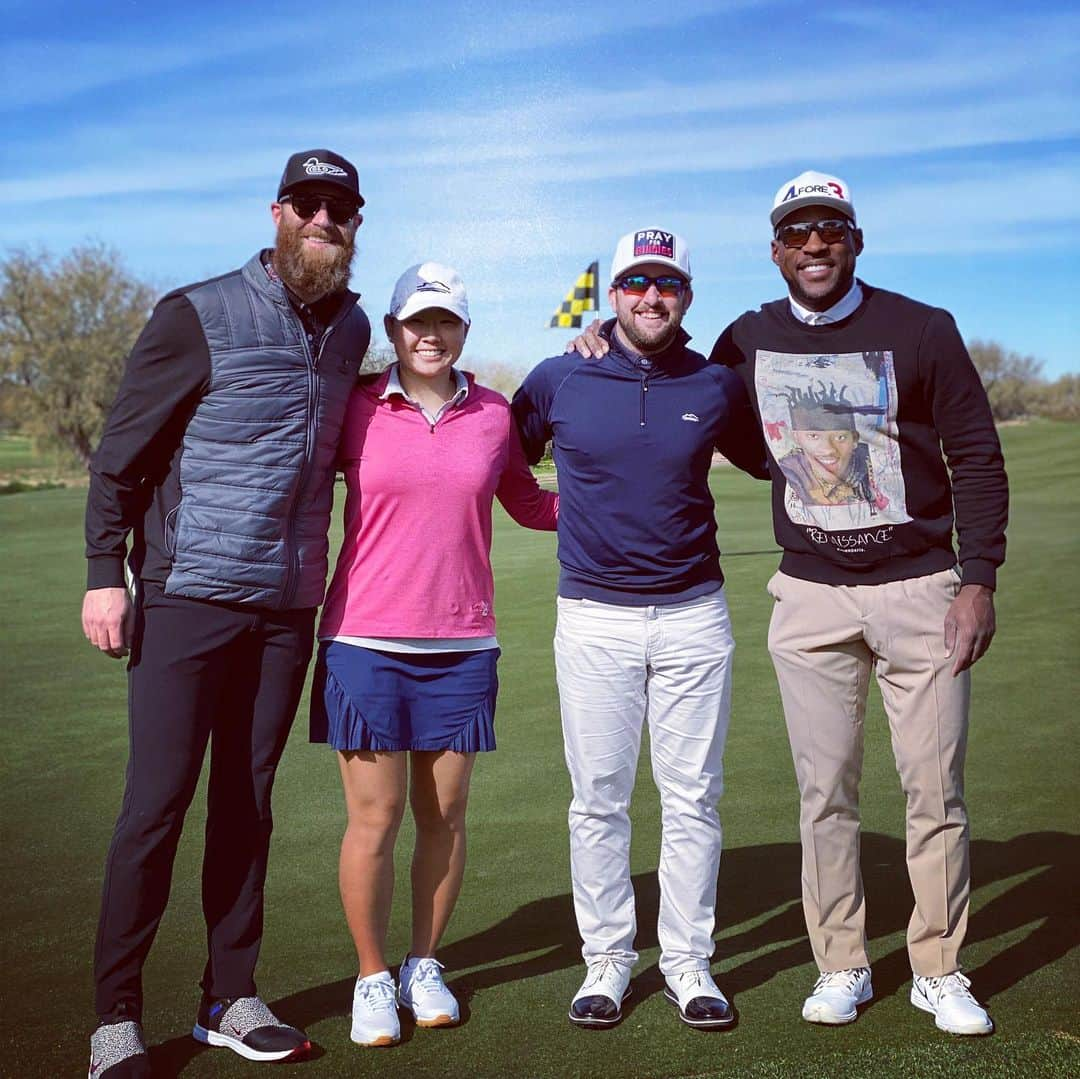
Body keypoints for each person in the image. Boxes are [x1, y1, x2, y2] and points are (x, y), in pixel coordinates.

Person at [81, 149, 370, 1076]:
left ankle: (230, 996)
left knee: (248, 805)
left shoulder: (352, 326)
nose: (327, 220)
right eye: (312, 204)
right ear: (280, 211)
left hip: (287, 608)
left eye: (344, 209)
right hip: (186, 596)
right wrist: (103, 573)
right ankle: (115, 1018)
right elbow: (121, 456)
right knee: (155, 807)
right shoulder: (195, 314)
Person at [708, 170, 1007, 1034]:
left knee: (934, 793)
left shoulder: (921, 328)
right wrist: (598, 338)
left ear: (856, 240)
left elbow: (977, 458)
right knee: (825, 793)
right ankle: (842, 962)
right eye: (797, 233)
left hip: (921, 592)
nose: (814, 246)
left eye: (830, 229)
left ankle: (938, 967)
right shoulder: (747, 337)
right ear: (775, 250)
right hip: (809, 596)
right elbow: (716, 410)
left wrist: (977, 577)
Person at [512, 229, 770, 1031]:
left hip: (695, 616)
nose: (650, 296)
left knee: (693, 799)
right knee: (599, 800)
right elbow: (503, 457)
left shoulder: (715, 382)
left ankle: (689, 962)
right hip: (593, 620)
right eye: (635, 283)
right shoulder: (560, 376)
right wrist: (561, 516)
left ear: (685, 296)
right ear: (613, 294)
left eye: (666, 283)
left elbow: (774, 459)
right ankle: (609, 959)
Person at [312, 263, 559, 1047]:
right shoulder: (356, 408)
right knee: (376, 818)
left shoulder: (491, 413)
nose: (430, 334)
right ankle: (373, 975)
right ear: (392, 331)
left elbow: (527, 501)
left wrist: (628, 496)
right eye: (416, 321)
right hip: (364, 641)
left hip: (462, 645)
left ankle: (425, 962)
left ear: (463, 332)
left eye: (445, 321)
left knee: (445, 815)